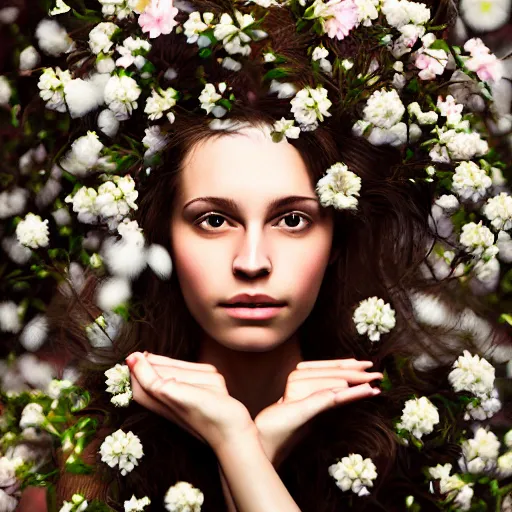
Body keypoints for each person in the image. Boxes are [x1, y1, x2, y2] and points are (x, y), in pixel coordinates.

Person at [15, 0, 507, 510]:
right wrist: (243, 445)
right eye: (214, 220)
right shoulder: (87, 457)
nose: (252, 261)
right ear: (162, 236)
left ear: (336, 236)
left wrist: (243, 455)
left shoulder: (426, 449)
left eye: (292, 219)